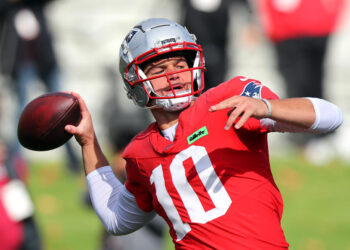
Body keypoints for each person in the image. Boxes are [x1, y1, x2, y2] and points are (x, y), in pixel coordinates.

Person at [65, 18, 343, 249]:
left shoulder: (227, 101)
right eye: (160, 69)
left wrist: (268, 107)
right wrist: (89, 142)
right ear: (135, 80)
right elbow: (117, 219)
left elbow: (330, 117)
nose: (174, 74)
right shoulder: (140, 152)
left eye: (180, 65)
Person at [0, 0, 80, 174]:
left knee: (63, 109)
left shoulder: (36, 5)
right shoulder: (9, 8)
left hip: (45, 60)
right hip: (21, 63)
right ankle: (16, 164)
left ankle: (72, 160)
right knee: (21, 111)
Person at [254, 0, 345, 148]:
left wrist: (330, 16)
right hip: (287, 31)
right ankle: (302, 136)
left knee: (313, 82)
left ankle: (319, 134)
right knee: (295, 83)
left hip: (316, 27)